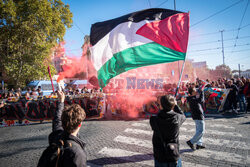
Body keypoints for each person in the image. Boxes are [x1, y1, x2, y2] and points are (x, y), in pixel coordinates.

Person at [38, 91, 87, 166]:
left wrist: (61, 102)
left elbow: (57, 119)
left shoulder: (57, 135)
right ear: (80, 125)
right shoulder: (77, 153)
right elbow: (57, 119)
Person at [150, 95, 186, 167]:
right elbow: (183, 115)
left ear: (161, 105)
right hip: (173, 153)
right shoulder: (177, 117)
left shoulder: (153, 119)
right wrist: (175, 105)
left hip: (160, 155)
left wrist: (163, 107)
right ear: (172, 105)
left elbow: (160, 114)